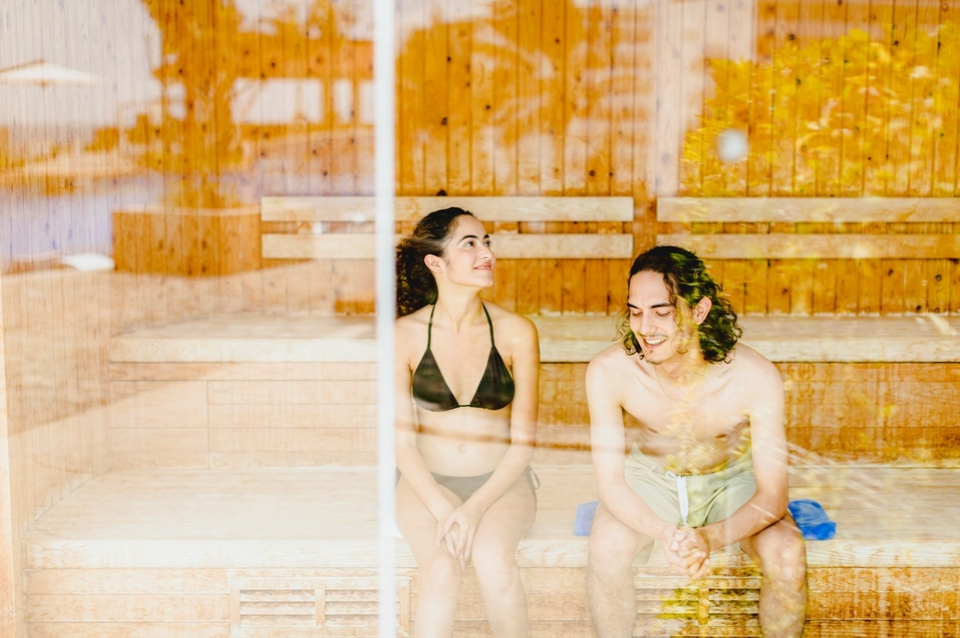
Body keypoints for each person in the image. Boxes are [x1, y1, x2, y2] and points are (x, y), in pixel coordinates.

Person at [585, 245, 807, 638]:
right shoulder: (608, 371)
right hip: (651, 480)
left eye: (661, 312)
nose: (645, 328)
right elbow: (611, 483)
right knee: (606, 547)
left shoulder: (754, 377)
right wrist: (665, 533)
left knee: (787, 552)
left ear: (700, 311)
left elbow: (773, 496)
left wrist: (708, 538)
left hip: (729, 481)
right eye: (635, 312)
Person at [394, 207, 540, 637]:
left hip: (501, 483)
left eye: (487, 242)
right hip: (426, 483)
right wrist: (446, 511)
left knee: (495, 559)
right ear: (436, 263)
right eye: (470, 244)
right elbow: (401, 444)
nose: (486, 253)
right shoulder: (403, 336)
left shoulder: (516, 332)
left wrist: (473, 509)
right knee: (440, 570)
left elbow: (524, 443)